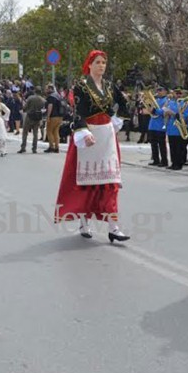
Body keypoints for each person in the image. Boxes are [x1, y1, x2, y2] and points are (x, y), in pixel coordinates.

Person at [54, 50, 130, 243]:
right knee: (86, 181)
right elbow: (77, 111)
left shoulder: (110, 86)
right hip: (88, 134)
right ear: (89, 64)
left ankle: (113, 227)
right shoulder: (80, 86)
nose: (101, 66)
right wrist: (83, 131)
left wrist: (117, 118)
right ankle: (84, 221)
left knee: (110, 181)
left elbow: (124, 103)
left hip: (106, 135)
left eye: (104, 62)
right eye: (97, 62)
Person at [147, 86, 169, 167]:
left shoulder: (167, 100)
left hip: (160, 125)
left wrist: (154, 110)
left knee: (162, 145)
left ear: (165, 91)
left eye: (160, 90)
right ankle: (156, 160)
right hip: (152, 125)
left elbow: (163, 111)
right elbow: (149, 110)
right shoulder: (155, 100)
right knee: (153, 144)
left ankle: (164, 161)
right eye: (158, 90)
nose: (158, 92)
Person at [44, 84, 63, 153]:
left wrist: (48, 116)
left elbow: (50, 106)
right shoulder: (59, 96)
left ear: (50, 89)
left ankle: (51, 146)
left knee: (49, 131)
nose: (46, 90)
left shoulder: (51, 97)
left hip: (53, 116)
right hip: (60, 117)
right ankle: (57, 147)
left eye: (47, 89)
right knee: (56, 132)